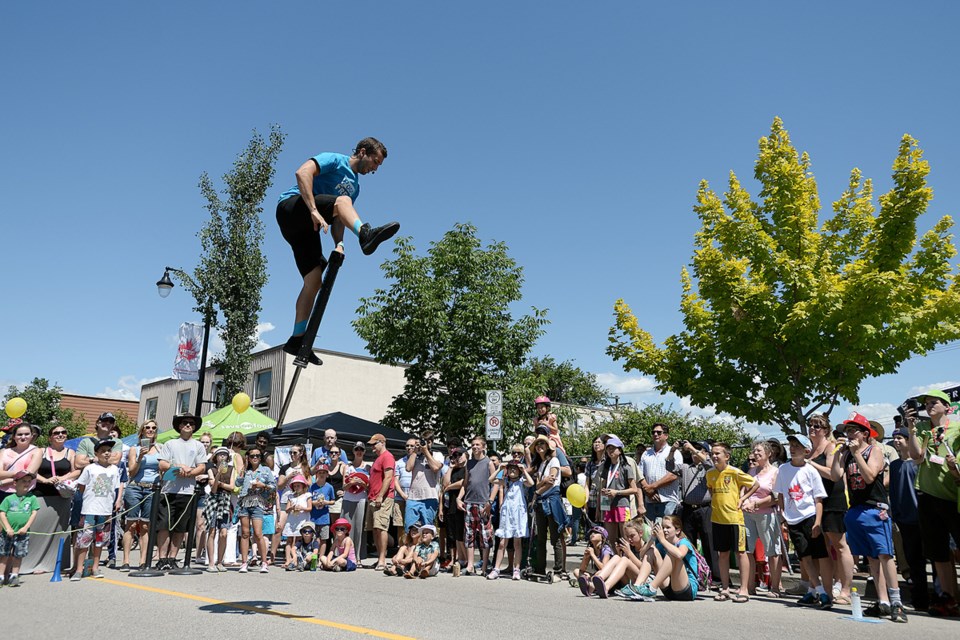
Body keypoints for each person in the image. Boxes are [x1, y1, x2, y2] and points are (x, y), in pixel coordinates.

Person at [276, 137, 399, 364]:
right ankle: (366, 234)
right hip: (292, 208)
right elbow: (302, 173)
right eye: (375, 161)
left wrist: (339, 244)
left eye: (378, 165)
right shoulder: (334, 160)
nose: (375, 169)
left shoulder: (356, 188)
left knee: (314, 281)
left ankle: (297, 340)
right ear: (362, 152)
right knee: (341, 201)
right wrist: (313, 209)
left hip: (308, 229)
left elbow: (339, 218)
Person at [831, 413, 907, 623]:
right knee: (871, 558)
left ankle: (896, 602)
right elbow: (836, 476)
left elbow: (870, 476)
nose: (849, 434)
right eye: (847, 431)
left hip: (875, 508)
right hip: (856, 510)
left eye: (853, 430)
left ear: (865, 433)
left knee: (884, 555)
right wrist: (839, 454)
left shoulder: (874, 451)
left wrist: (856, 454)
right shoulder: (847, 454)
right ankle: (882, 602)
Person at [905, 388, 960, 616]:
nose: (928, 406)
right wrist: (911, 430)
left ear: (947, 406)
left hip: (952, 496)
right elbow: (917, 456)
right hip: (927, 494)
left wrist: (954, 464)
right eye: (926, 403)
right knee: (938, 553)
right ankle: (948, 597)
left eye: (933, 402)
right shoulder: (924, 428)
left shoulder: (957, 428)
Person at [774, 434, 831, 609]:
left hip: (810, 516)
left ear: (806, 450)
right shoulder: (783, 469)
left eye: (797, 446)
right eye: (791, 445)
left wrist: (817, 522)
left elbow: (818, 498)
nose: (792, 448)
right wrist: (783, 515)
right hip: (793, 520)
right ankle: (817, 592)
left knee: (819, 555)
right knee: (804, 556)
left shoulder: (810, 470)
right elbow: (781, 494)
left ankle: (820, 592)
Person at [805, 413, 854, 604]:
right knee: (822, 547)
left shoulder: (830, 447)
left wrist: (810, 464)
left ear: (826, 430)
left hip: (833, 499)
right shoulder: (810, 450)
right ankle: (823, 589)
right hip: (816, 502)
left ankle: (846, 590)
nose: (813, 429)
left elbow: (833, 474)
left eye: (817, 426)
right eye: (811, 425)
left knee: (840, 545)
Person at [705, 442, 759, 603]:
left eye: (718, 453)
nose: (714, 456)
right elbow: (711, 489)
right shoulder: (710, 473)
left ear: (727, 456)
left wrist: (742, 499)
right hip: (717, 518)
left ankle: (744, 589)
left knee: (741, 553)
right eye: (712, 453)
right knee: (722, 554)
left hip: (735, 519)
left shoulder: (735, 472)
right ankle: (725, 588)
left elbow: (755, 484)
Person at [156, 413, 208, 571]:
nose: (188, 425)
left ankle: (172, 558)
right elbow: (162, 464)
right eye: (185, 422)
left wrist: (190, 472)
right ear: (179, 426)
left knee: (180, 527)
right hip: (168, 490)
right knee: (164, 525)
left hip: (187, 491)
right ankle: (161, 558)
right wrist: (177, 466)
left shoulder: (198, 445)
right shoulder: (170, 443)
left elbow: (202, 466)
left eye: (191, 423)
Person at [889, 426, 928, 611]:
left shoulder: (918, 462)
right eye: (895, 438)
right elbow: (894, 492)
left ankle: (938, 597)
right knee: (913, 560)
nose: (897, 441)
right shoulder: (895, 465)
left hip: (921, 516)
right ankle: (918, 599)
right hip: (903, 518)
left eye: (901, 438)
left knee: (931, 558)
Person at [71, 440, 121, 581]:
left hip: (105, 510)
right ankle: (79, 569)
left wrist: (115, 502)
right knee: (84, 540)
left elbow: (115, 488)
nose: (106, 453)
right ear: (96, 454)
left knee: (100, 541)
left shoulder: (114, 469)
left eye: (108, 450)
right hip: (89, 509)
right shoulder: (90, 468)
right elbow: (81, 486)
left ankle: (95, 567)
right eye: (103, 450)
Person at [742, 441, 783, 596]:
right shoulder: (751, 471)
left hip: (768, 514)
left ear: (769, 453)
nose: (756, 453)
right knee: (747, 550)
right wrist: (745, 502)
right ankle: (749, 586)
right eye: (755, 450)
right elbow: (743, 489)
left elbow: (776, 496)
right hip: (748, 514)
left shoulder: (775, 472)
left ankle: (775, 587)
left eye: (759, 451)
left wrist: (756, 503)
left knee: (772, 551)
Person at [121, 420, 161, 571]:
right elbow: (131, 472)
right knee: (131, 524)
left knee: (145, 525)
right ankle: (125, 560)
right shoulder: (134, 448)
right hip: (135, 487)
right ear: (142, 431)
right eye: (147, 428)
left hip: (152, 488)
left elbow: (163, 468)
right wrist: (139, 457)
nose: (150, 430)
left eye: (153, 428)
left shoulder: (160, 448)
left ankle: (143, 560)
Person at [677, 440, 719, 580]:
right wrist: (673, 450)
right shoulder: (685, 467)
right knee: (688, 543)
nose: (695, 452)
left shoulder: (710, 467)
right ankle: (692, 575)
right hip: (688, 509)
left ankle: (716, 577)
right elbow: (670, 466)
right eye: (694, 449)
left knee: (709, 543)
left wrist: (694, 451)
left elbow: (709, 465)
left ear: (707, 453)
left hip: (704, 509)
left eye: (700, 449)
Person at [457, 436, 496, 576]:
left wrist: (490, 501)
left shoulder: (488, 463)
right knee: (469, 535)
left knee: (485, 536)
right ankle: (470, 565)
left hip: (483, 503)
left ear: (483, 447)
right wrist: (459, 498)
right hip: (469, 503)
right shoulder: (469, 463)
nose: (475, 447)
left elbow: (496, 483)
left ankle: (485, 566)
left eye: (478, 445)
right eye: (473, 445)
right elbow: (465, 483)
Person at [489, 457, 533, 580]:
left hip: (518, 514)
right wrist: (499, 469)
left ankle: (516, 569)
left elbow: (531, 483)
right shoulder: (506, 481)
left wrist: (524, 470)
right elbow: (491, 479)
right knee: (502, 542)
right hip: (507, 513)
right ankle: (496, 568)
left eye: (515, 468)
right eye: (510, 468)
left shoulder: (522, 481)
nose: (513, 470)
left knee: (517, 543)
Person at [532, 435, 567, 576]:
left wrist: (537, 491)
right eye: (538, 443)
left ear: (547, 447)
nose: (540, 445)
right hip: (541, 502)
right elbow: (540, 482)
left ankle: (558, 569)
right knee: (540, 538)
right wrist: (541, 484)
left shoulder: (554, 460)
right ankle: (540, 568)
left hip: (552, 501)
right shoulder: (541, 464)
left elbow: (551, 481)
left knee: (555, 537)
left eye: (543, 443)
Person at [0, 471, 40, 587]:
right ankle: (1, 576)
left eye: (29, 481)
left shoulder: (31, 498)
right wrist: (7, 528)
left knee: (18, 554)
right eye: (23, 481)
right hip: (7, 532)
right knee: (4, 554)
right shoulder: (8, 499)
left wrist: (26, 527)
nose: (27, 484)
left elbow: (33, 513)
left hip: (22, 532)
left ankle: (14, 575)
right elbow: (2, 513)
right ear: (15, 483)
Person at [597, 435, 637, 541]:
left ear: (619, 450)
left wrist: (617, 492)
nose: (610, 451)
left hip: (622, 505)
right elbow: (603, 486)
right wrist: (604, 492)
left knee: (625, 537)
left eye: (613, 448)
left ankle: (626, 557)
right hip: (607, 505)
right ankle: (615, 557)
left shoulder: (626, 467)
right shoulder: (606, 467)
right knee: (610, 538)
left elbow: (634, 489)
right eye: (608, 448)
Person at [639, 423, 683, 519]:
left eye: (659, 432)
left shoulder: (674, 452)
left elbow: (674, 475)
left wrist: (652, 487)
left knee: (667, 532)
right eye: (653, 432)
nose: (655, 434)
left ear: (666, 436)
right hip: (649, 501)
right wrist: (648, 492)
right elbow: (639, 474)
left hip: (668, 500)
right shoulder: (646, 454)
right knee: (651, 532)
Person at [365, 433, 395, 571]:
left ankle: (383, 559)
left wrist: (380, 495)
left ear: (382, 442)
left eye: (374, 444)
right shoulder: (378, 458)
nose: (372, 447)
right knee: (375, 529)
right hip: (373, 497)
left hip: (382, 498)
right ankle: (379, 558)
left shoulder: (387, 457)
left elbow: (388, 478)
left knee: (381, 527)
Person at [204, 446, 237, 573]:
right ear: (216, 457)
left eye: (224, 455)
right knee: (212, 531)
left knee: (224, 532)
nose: (222, 457)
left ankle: (220, 561)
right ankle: (211, 562)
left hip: (225, 500)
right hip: (213, 500)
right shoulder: (211, 469)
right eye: (220, 455)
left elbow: (232, 487)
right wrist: (218, 474)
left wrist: (221, 484)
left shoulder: (231, 469)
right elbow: (213, 488)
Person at [404, 432, 444, 529]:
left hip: (429, 497)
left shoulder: (437, 455)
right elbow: (408, 468)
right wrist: (414, 451)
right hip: (413, 498)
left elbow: (435, 467)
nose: (425, 444)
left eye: (427, 442)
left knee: (427, 529)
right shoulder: (415, 455)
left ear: (431, 442)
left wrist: (425, 451)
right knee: (410, 529)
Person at [440, 447, 467, 574]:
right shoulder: (453, 469)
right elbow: (445, 483)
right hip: (450, 503)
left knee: (461, 533)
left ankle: (464, 558)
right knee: (453, 534)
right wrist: (450, 467)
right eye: (454, 456)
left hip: (462, 502)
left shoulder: (467, 468)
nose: (456, 458)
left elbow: (463, 483)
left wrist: (449, 487)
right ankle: (455, 558)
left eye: (459, 455)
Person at [35, 424, 79, 498]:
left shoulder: (71, 452)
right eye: (56, 433)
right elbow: (32, 472)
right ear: (50, 438)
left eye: (63, 432)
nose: (60, 434)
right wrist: (45, 480)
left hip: (62, 494)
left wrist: (62, 478)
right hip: (40, 493)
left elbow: (76, 472)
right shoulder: (41, 451)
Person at [0, 423, 42, 496]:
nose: (23, 437)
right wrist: (18, 473)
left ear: (32, 436)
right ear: (14, 436)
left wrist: (3, 481)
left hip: (24, 494)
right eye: (19, 434)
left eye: (26, 434)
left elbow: (28, 475)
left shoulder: (36, 451)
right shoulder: (4, 451)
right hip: (2, 493)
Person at [282, 475, 313, 570]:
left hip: (302, 520)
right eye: (295, 486)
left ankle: (298, 560)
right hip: (292, 520)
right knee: (289, 540)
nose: (296, 488)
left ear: (303, 486)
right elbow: (287, 510)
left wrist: (302, 508)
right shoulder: (290, 496)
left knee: (300, 540)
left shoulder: (307, 495)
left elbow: (310, 508)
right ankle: (288, 559)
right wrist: (291, 507)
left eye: (298, 485)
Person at [309, 464, 336, 558]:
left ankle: (321, 558)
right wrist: (314, 503)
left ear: (327, 475)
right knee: (314, 538)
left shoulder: (329, 487)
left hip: (324, 517)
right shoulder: (312, 487)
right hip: (313, 517)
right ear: (316, 474)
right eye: (319, 473)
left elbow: (333, 501)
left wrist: (326, 502)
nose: (321, 475)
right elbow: (308, 501)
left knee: (324, 538)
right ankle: (314, 556)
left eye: (324, 473)